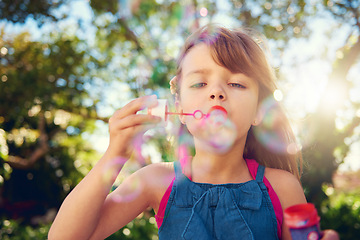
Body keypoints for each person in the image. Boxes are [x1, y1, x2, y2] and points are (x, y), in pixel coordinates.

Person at [48, 24, 339, 240]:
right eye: (199, 84)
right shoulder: (156, 181)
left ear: (259, 111)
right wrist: (114, 155)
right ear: (179, 106)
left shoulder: (282, 187)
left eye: (236, 84)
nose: (216, 92)